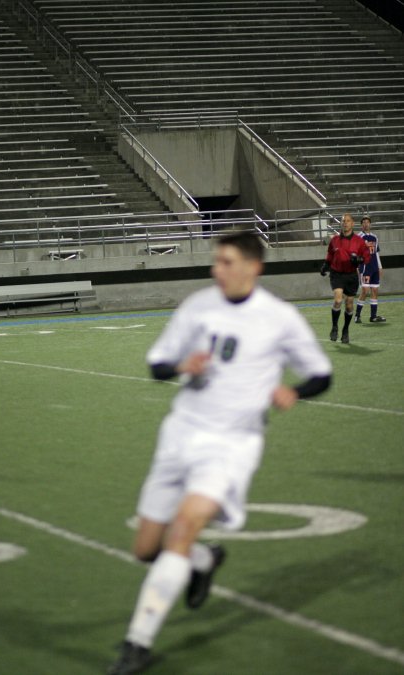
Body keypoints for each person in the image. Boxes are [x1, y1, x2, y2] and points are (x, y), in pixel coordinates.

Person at [107, 231, 332, 675]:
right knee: (146, 548)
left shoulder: (279, 317)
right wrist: (180, 365)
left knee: (185, 527)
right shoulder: (198, 306)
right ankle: (204, 560)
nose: (218, 270)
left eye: (227, 262)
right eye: (217, 261)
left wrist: (294, 391)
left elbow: (321, 374)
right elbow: (157, 365)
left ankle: (138, 643)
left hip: (231, 443)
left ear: (254, 267)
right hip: (180, 433)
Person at [320, 213, 370, 344]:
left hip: (351, 275)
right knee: (337, 300)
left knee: (349, 305)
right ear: (340, 223)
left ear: (352, 224)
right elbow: (330, 254)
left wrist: (359, 259)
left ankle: (345, 330)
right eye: (343, 221)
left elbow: (367, 256)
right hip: (336, 274)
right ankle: (334, 327)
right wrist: (326, 265)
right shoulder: (335, 240)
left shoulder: (359, 241)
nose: (345, 223)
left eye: (348, 221)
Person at [354, 216, 386, 323]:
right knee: (364, 291)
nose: (366, 224)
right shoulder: (358, 238)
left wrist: (380, 267)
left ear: (370, 224)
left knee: (375, 291)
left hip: (374, 268)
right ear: (361, 225)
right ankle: (357, 316)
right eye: (364, 222)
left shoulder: (374, 237)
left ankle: (373, 316)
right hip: (365, 268)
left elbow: (376, 253)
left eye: (367, 222)